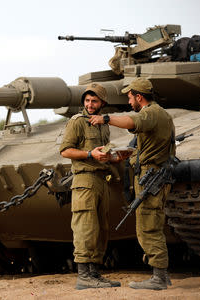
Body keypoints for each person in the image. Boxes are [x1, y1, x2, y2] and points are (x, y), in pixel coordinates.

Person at [89, 77, 175, 290]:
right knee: (148, 224)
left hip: (152, 177)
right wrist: (124, 155)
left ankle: (159, 277)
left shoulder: (151, 113)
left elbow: (132, 122)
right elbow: (145, 143)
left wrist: (106, 118)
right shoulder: (156, 114)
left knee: (149, 226)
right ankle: (160, 275)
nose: (129, 101)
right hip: (149, 175)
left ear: (139, 97)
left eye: (130, 97)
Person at [59, 83, 121, 290]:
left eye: (94, 101)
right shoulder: (77, 122)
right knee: (85, 227)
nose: (90, 104)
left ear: (102, 103)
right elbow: (65, 151)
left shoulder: (104, 124)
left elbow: (101, 151)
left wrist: (112, 157)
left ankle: (94, 273)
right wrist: (89, 154)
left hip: (101, 179)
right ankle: (84, 276)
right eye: (87, 100)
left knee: (100, 229)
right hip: (85, 180)